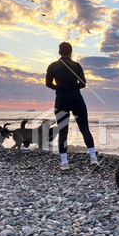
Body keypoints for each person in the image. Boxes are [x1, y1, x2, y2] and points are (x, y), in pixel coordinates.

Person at [45, 42, 99, 171]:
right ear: (71, 52)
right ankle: (93, 159)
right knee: (84, 128)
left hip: (61, 99)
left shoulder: (52, 66)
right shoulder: (76, 65)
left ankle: (64, 163)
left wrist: (59, 87)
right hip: (76, 98)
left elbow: (48, 84)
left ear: (59, 52)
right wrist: (73, 87)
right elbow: (83, 83)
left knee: (63, 131)